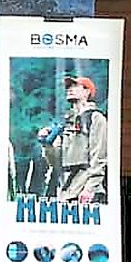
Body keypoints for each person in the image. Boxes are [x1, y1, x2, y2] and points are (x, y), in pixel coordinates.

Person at [49, 74, 108, 205]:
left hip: (86, 193)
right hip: (66, 192)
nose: (69, 89)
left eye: (75, 86)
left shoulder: (96, 118)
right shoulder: (67, 122)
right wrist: (46, 144)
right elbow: (56, 162)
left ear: (87, 92)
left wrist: (90, 188)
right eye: (68, 87)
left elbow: (99, 156)